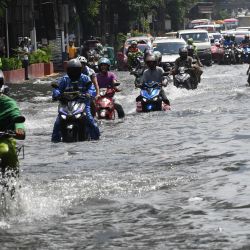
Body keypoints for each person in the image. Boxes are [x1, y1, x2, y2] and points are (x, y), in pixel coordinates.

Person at [51, 59, 100, 142]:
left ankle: (96, 139)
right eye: (71, 70)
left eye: (76, 70)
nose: (73, 72)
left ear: (80, 70)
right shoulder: (64, 79)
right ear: (68, 70)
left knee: (91, 122)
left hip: (82, 104)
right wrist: (57, 95)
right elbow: (57, 89)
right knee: (57, 124)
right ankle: (54, 142)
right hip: (65, 105)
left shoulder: (85, 78)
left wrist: (89, 94)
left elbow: (91, 88)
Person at [0, 72, 25, 176]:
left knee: (6, 151)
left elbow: (17, 118)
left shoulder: (9, 103)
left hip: (4, 139)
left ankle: (13, 181)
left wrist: (19, 130)